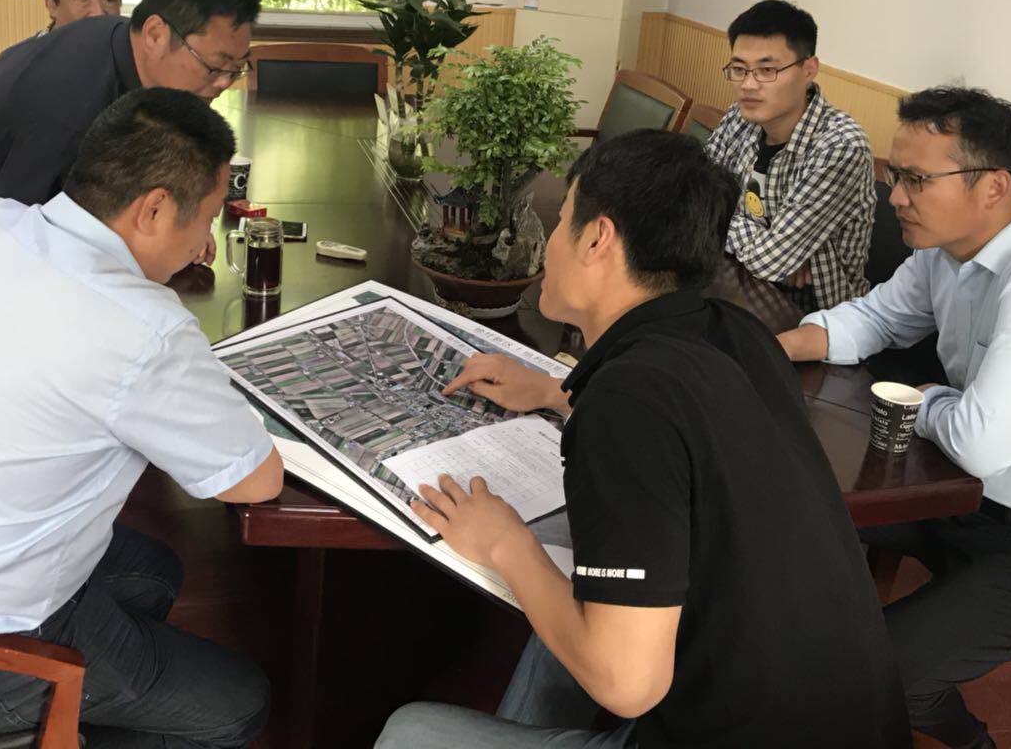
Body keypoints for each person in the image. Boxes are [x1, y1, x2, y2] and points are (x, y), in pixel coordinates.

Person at [377, 130, 908, 749]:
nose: (550, 241)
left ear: (597, 239)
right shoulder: (738, 332)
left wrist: (504, 541)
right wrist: (553, 390)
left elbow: (626, 684)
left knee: (411, 732)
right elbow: (687, 421)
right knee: (585, 585)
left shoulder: (625, 403)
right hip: (861, 725)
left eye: (561, 220)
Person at [0, 87, 282, 748]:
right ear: (154, 209)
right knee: (239, 705)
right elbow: (255, 482)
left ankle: (94, 698)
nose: (205, 243)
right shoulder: (143, 328)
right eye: (208, 218)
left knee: (155, 572)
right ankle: (64, 712)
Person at [777, 86, 1011, 749]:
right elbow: (876, 318)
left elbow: (981, 441)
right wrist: (769, 347)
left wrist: (925, 399)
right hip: (965, 499)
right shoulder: (947, 248)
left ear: (994, 186)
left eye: (916, 180)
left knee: (871, 679)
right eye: (897, 175)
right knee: (783, 505)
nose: (895, 196)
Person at [0, 0, 256, 240]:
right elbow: (16, 233)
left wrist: (184, 225)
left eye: (237, 68)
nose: (224, 83)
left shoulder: (122, 39)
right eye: (215, 66)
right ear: (155, 34)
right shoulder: (67, 105)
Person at [704, 0, 875, 312]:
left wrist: (717, 219)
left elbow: (770, 261)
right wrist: (770, 243)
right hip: (731, 275)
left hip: (811, 311)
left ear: (809, 69)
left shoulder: (840, 145)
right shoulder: (740, 116)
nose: (748, 85)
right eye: (739, 69)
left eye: (767, 70)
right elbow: (692, 195)